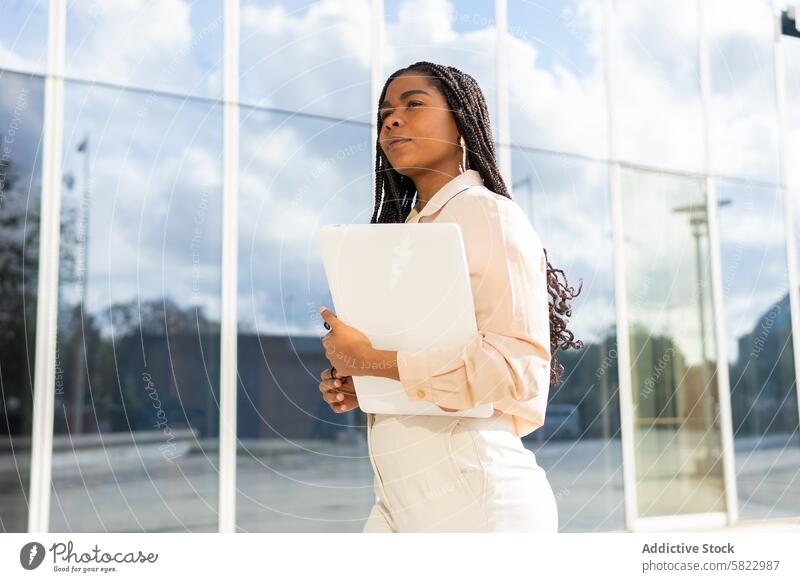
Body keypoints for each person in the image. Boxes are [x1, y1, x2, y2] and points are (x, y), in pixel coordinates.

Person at [318, 61, 583, 532]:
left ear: (460, 121)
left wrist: (376, 362)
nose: (391, 121)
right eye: (384, 114)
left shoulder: (488, 215)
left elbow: (515, 373)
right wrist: (367, 382)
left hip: (476, 503)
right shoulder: (408, 235)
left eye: (413, 105)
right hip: (398, 503)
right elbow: (426, 357)